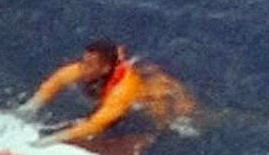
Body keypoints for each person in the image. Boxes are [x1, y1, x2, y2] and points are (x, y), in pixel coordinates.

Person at [25, 40, 195, 145]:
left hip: (155, 98)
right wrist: (32, 105)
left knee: (182, 125)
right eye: (84, 61)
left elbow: (95, 125)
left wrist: (54, 139)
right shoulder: (88, 70)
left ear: (105, 68)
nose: (82, 69)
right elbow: (59, 79)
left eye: (90, 65)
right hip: (129, 85)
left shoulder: (121, 92)